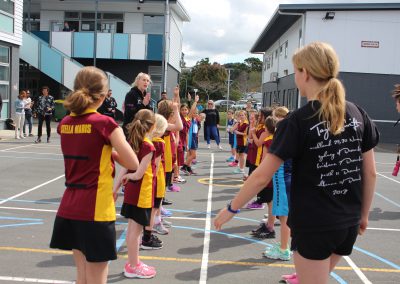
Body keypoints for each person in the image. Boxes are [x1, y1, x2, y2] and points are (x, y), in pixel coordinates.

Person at [214, 42, 379, 284]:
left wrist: (231, 209)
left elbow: (261, 175)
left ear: (306, 73)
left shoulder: (297, 121)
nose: (295, 78)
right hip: (348, 222)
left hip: (314, 225)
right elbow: (370, 173)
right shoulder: (357, 113)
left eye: (296, 71)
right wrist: (363, 214)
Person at [50, 66, 139, 284]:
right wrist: (114, 153)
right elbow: (133, 163)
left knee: (81, 276)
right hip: (95, 208)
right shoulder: (105, 124)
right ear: (102, 97)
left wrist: (108, 151)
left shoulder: (65, 124)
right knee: (97, 277)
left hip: (70, 206)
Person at [114, 109, 157, 279]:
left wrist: (115, 188)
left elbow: (124, 166)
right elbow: (138, 174)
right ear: (152, 126)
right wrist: (129, 176)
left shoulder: (133, 142)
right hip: (141, 193)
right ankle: (133, 266)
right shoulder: (148, 146)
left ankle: (134, 262)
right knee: (135, 232)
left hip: (133, 192)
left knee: (133, 230)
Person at [122, 72, 152, 138]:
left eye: (148, 81)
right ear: (138, 81)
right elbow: (130, 112)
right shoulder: (131, 94)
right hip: (131, 128)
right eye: (143, 80)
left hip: (142, 128)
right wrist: (143, 104)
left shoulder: (145, 95)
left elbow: (148, 112)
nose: (146, 82)